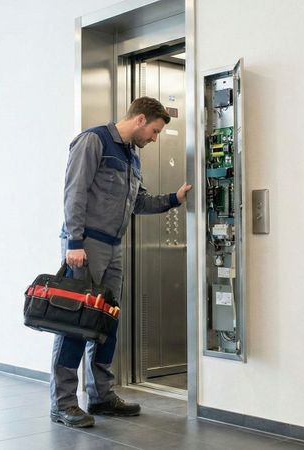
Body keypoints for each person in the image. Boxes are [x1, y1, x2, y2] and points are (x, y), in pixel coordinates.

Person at [51, 96, 192, 428]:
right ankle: (63, 403)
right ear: (140, 120)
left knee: (106, 323)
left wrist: (174, 199)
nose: (155, 139)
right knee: (74, 323)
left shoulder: (132, 157)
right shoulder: (94, 141)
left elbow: (137, 202)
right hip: (85, 245)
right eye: (155, 131)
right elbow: (75, 192)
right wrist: (74, 242)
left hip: (114, 247)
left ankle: (100, 396)